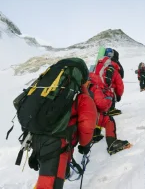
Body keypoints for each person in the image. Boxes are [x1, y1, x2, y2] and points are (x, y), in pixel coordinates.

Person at [29, 59, 97, 189]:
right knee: (50, 184)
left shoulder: (51, 90)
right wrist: (85, 145)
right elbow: (87, 125)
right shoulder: (81, 96)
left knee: (48, 178)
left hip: (37, 138)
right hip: (57, 144)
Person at [88, 72, 130, 154]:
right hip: (89, 115)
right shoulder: (95, 87)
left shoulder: (81, 85)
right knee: (108, 120)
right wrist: (109, 96)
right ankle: (112, 144)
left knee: (97, 115)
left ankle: (95, 135)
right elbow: (102, 104)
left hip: (80, 115)